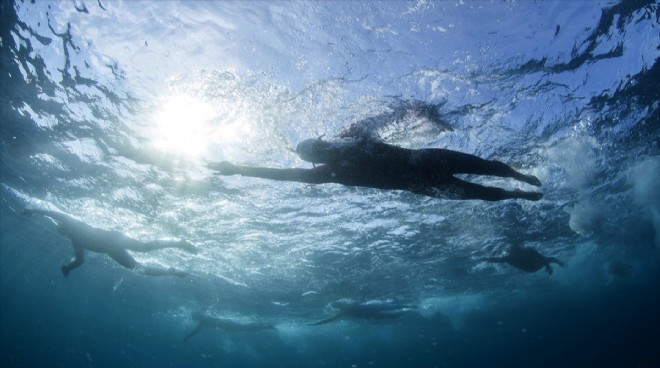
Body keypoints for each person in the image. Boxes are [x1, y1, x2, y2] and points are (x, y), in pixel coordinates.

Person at [209, 138, 542, 201]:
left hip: (425, 161)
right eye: (315, 151)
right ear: (315, 158)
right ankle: (514, 193)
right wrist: (237, 168)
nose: (322, 150)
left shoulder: (352, 138)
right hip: (420, 183)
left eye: (318, 143)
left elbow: (386, 117)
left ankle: (516, 176)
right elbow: (282, 174)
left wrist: (421, 112)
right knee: (483, 195)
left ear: (324, 139)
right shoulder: (325, 173)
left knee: (486, 166)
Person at [22, 208, 197, 277]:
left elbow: (51, 212)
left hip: (113, 239)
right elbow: (80, 260)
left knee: (144, 248)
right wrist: (69, 267)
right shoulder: (75, 240)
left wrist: (32, 210)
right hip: (111, 248)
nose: (63, 227)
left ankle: (179, 242)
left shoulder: (73, 225)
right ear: (64, 232)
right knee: (139, 268)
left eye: (62, 226)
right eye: (63, 229)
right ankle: (171, 271)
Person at [309, 299, 417, 326]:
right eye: (338, 305)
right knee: (392, 315)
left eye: (338, 304)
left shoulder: (348, 305)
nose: (339, 305)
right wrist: (316, 323)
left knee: (393, 307)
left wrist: (316, 323)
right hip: (372, 314)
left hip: (372, 308)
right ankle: (409, 310)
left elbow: (329, 320)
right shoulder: (342, 312)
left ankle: (410, 307)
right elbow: (329, 320)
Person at [183, 312, 276, 342]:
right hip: (228, 324)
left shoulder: (203, 321)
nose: (194, 319)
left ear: (197, 316)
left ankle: (265, 326)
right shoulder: (205, 317)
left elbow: (195, 331)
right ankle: (265, 325)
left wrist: (188, 336)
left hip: (229, 326)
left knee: (246, 328)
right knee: (246, 327)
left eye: (194, 317)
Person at [481, 244, 564, 274]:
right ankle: (561, 263)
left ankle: (561, 263)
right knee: (550, 259)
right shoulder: (509, 257)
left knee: (550, 259)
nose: (517, 253)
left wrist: (548, 267)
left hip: (533, 267)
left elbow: (542, 258)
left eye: (517, 251)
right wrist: (487, 259)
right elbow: (497, 260)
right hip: (532, 267)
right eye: (515, 252)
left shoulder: (527, 250)